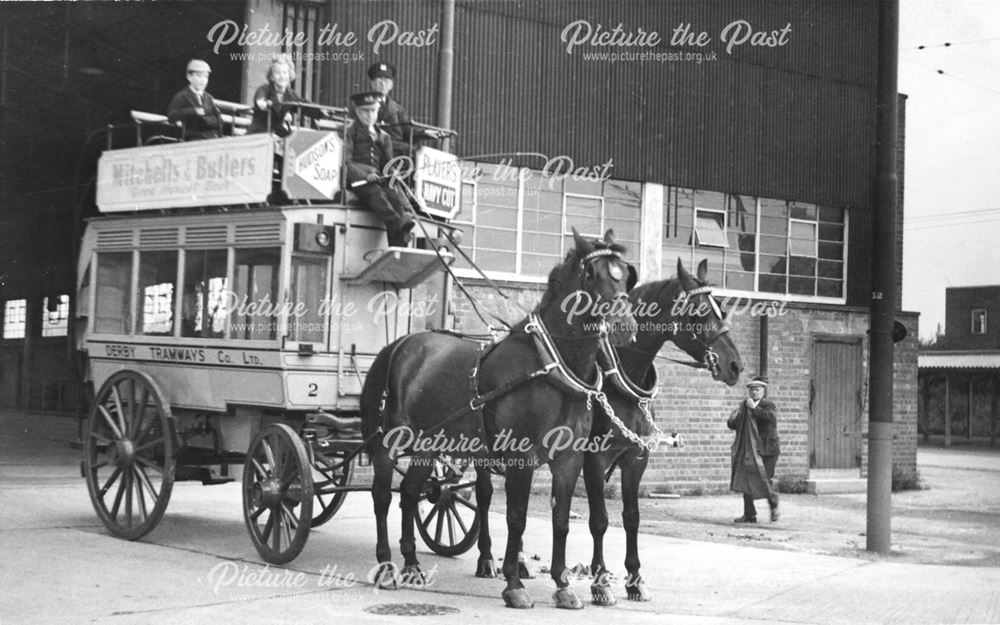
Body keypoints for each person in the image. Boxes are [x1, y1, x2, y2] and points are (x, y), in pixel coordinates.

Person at [343, 91, 415, 247]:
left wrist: (393, 173)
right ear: (357, 112)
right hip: (358, 183)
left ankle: (397, 248)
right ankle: (397, 223)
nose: (369, 116)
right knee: (377, 195)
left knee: (393, 197)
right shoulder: (349, 132)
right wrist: (365, 175)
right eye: (365, 111)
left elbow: (387, 165)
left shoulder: (384, 137)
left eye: (373, 111)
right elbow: (346, 162)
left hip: (378, 180)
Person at [727, 376, 781, 523]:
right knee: (746, 478)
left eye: (757, 389)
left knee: (765, 479)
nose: (754, 393)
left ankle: (773, 504)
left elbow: (769, 418)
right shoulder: (744, 405)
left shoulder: (769, 405)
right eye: (751, 390)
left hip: (767, 450)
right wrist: (732, 418)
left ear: (763, 391)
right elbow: (736, 424)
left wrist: (754, 408)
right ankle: (749, 515)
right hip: (750, 449)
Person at [367, 62, 442, 158]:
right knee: (411, 151)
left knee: (420, 152)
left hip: (397, 147)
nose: (383, 83)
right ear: (372, 83)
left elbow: (406, 129)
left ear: (391, 85)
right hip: (377, 144)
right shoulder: (364, 103)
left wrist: (425, 133)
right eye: (379, 80)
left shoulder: (397, 108)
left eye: (386, 80)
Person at [249, 54, 312, 137]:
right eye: (278, 73)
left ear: (290, 75)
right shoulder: (264, 89)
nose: (282, 76)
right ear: (271, 77)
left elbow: (303, 104)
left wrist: (321, 112)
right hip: (259, 132)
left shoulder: (290, 94)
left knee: (292, 141)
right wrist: (263, 104)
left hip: (277, 131)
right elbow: (260, 100)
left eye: (285, 73)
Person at [166, 59, 222, 140]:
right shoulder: (182, 96)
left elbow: (219, 120)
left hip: (211, 136)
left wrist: (207, 120)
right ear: (189, 77)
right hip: (191, 137)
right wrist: (193, 111)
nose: (203, 80)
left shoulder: (209, 98)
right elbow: (171, 116)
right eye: (199, 76)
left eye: (206, 77)